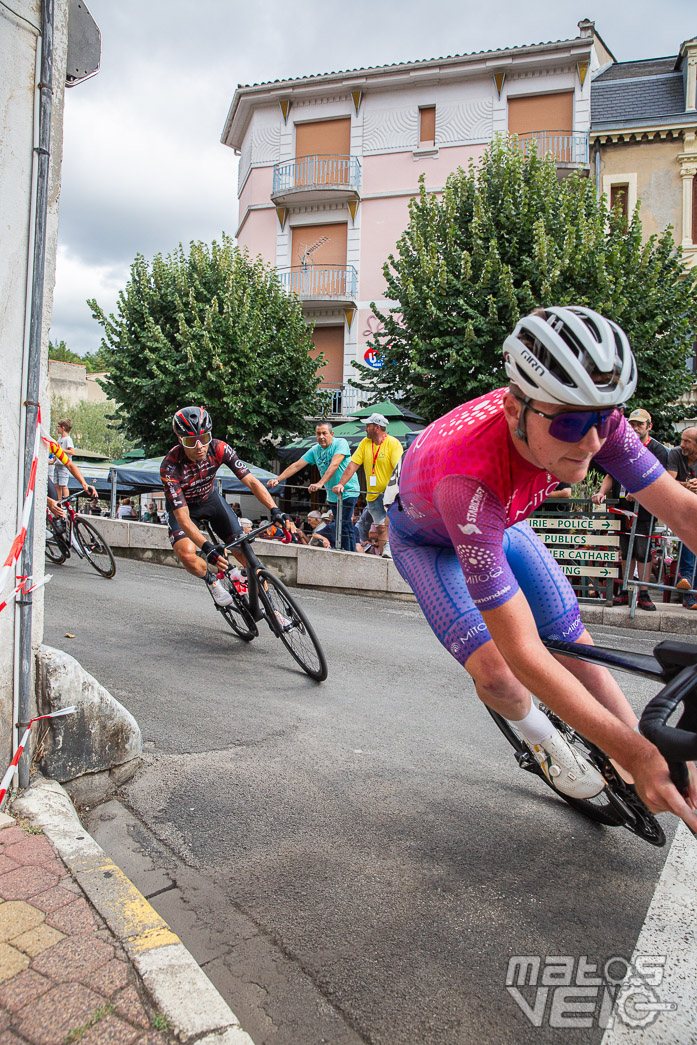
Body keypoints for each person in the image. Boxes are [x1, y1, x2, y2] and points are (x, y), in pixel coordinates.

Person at [387, 305, 697, 831]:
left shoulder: (581, 418)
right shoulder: (468, 480)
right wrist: (639, 756)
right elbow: (525, 653)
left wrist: (648, 753)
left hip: (500, 522)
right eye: (574, 422)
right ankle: (542, 740)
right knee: (501, 674)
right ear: (515, 409)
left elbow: (685, 513)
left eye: (607, 418)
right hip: (435, 537)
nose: (594, 442)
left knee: (572, 638)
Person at [160, 406, 288, 608]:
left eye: (205, 438)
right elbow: (183, 518)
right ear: (180, 440)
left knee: (244, 551)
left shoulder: (218, 448)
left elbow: (252, 482)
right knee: (186, 553)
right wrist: (207, 547)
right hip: (184, 510)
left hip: (210, 500)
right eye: (192, 442)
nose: (200, 446)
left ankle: (272, 608)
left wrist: (275, 509)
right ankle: (213, 582)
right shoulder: (170, 466)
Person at [592, 407, 668, 610]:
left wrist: (640, 491)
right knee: (625, 551)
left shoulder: (658, 450)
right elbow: (610, 474)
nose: (635, 428)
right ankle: (625, 590)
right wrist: (601, 493)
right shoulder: (621, 446)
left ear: (649, 426)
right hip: (622, 508)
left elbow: (662, 480)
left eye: (639, 424)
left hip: (644, 509)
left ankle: (643, 593)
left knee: (643, 551)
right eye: (632, 424)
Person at [268, 422, 361, 551]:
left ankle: (350, 553)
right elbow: (297, 465)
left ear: (331, 434)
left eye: (324, 433)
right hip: (333, 493)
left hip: (348, 489)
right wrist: (278, 479)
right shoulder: (315, 450)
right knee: (339, 524)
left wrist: (320, 483)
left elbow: (334, 465)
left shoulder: (341, 443)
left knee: (344, 523)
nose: (321, 436)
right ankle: (346, 551)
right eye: (318, 434)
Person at [332, 413, 403, 557]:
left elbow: (399, 469)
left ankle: (391, 553)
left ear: (377, 428)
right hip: (372, 494)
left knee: (387, 525)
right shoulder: (365, 443)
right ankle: (385, 556)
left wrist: (399, 491)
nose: (365, 429)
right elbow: (352, 465)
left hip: (391, 494)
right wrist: (341, 483)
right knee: (380, 528)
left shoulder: (393, 443)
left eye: (367, 426)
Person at [667, 426, 697, 609]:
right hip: (685, 508)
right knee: (689, 538)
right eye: (682, 440)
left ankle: (688, 588)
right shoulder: (676, 453)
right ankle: (687, 586)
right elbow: (668, 481)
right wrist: (688, 485)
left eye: (687, 441)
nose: (682, 444)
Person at [52, 418, 75, 502]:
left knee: (63, 484)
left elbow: (72, 452)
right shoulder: (59, 439)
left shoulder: (68, 439)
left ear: (63, 428)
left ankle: (66, 501)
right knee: (56, 484)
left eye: (58, 426)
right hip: (57, 464)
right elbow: (57, 452)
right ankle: (59, 500)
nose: (57, 428)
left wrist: (61, 450)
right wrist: (53, 460)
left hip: (64, 465)